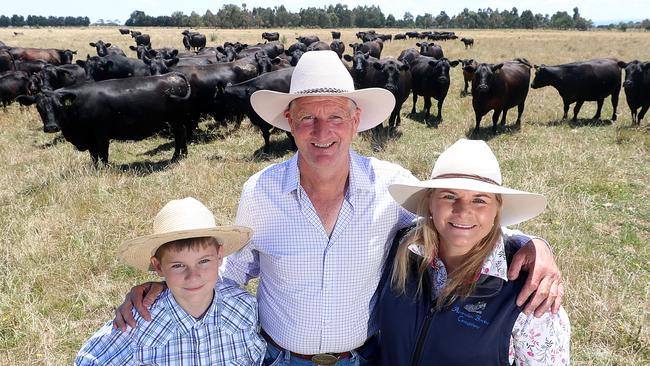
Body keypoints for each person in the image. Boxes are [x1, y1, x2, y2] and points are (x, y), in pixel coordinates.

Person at [114, 51, 564, 366]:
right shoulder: (261, 191)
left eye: (334, 116)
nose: (321, 130)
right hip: (282, 358)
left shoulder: (388, 184)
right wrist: (168, 286)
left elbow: (453, 227)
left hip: (367, 358)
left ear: (355, 121)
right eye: (307, 116)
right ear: (289, 122)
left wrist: (529, 243)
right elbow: (231, 272)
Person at [378, 139, 570, 365]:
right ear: (430, 202)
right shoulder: (402, 249)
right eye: (449, 196)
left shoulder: (530, 291)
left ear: (497, 209)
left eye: (480, 200)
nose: (463, 211)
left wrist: (538, 244)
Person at [75, 197, 266, 365]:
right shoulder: (139, 323)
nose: (193, 275)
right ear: (158, 266)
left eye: (204, 261)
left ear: (219, 256)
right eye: (178, 266)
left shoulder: (243, 308)